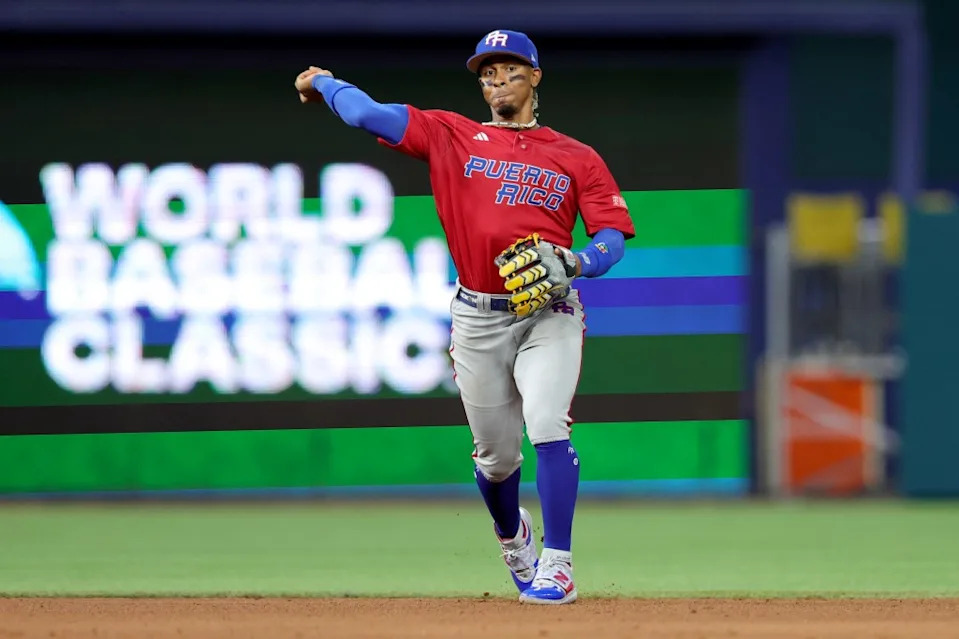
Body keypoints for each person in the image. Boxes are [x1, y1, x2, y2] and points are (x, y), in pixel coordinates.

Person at [294, 29, 634, 605]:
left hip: (548, 312)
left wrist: (577, 260)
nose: (497, 79)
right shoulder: (452, 134)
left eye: (508, 69)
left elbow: (611, 237)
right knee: (497, 457)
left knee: (549, 423)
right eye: (487, 72)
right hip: (477, 317)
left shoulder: (576, 156)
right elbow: (369, 115)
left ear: (535, 76)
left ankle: (559, 561)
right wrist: (324, 82)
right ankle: (513, 537)